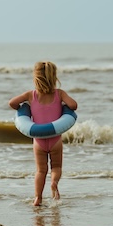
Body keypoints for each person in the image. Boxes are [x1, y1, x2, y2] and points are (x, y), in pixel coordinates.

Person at [9, 61, 78, 206]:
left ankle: (38, 198)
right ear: (54, 77)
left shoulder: (30, 95)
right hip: (55, 140)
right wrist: (63, 105)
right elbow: (73, 105)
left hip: (38, 141)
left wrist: (22, 108)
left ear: (36, 78)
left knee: (40, 171)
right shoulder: (60, 94)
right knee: (56, 167)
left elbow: (12, 103)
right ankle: (54, 182)